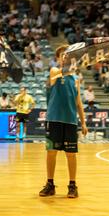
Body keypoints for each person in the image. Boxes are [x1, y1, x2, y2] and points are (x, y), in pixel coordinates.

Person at [39, 45, 87, 199]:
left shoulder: (76, 79)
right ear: (58, 58)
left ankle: (72, 185)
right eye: (63, 56)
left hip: (71, 121)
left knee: (71, 155)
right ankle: (50, 184)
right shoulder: (54, 71)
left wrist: (84, 123)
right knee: (51, 153)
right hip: (54, 119)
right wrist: (70, 67)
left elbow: (78, 102)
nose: (65, 58)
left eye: (68, 55)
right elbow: (55, 76)